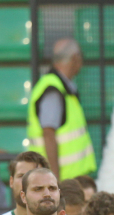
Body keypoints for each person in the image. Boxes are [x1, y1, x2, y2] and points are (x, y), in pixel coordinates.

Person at [26, 38, 96, 180]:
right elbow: (48, 134)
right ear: (75, 58)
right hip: (64, 182)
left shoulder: (61, 88)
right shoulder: (54, 89)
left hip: (70, 181)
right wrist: (55, 181)